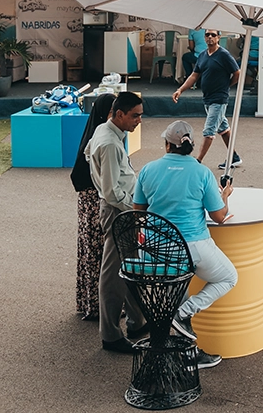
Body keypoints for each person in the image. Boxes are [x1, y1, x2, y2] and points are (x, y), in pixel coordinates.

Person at [132, 120, 233, 370]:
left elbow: (138, 211)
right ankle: (186, 313)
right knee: (228, 277)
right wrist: (225, 196)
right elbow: (219, 216)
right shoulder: (201, 172)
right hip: (192, 247)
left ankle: (186, 349)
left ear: (167, 144)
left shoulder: (148, 170)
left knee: (178, 288)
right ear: (190, 145)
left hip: (155, 254)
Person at [85, 91, 148, 351]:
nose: (139, 121)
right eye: (135, 116)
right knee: (113, 276)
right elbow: (112, 193)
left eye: (140, 115)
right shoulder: (110, 143)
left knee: (129, 267)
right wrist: (135, 209)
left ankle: (137, 321)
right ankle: (110, 334)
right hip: (118, 211)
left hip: (119, 210)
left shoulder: (104, 130)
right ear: (119, 114)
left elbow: (88, 154)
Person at [170, 29, 241, 169]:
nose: (210, 37)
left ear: (218, 37)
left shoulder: (224, 55)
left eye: (213, 35)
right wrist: (180, 90)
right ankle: (234, 157)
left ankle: (198, 162)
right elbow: (194, 76)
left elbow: (237, 72)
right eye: (207, 35)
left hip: (219, 99)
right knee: (224, 129)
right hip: (208, 98)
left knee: (209, 131)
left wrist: (227, 86)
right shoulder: (203, 55)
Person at [72, 93, 114, 323]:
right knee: (99, 252)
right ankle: (98, 305)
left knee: (93, 251)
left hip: (90, 201)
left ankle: (91, 302)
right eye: (111, 112)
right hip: (94, 202)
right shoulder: (101, 141)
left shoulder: (100, 136)